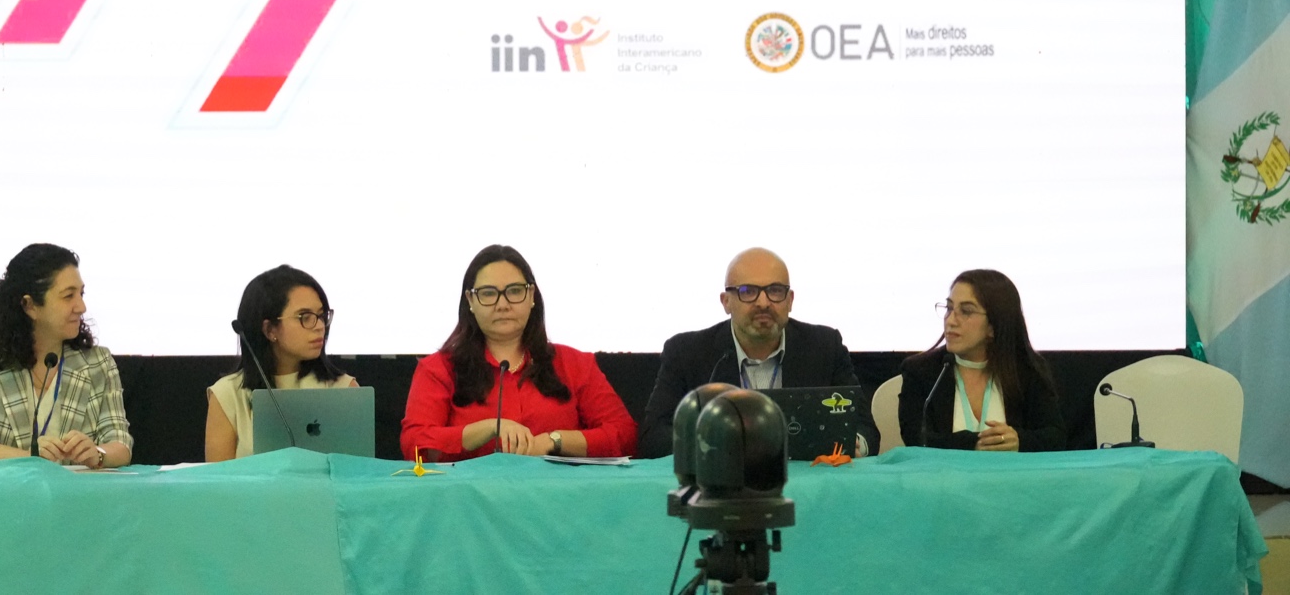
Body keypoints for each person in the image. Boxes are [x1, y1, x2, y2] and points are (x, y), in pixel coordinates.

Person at [400, 244, 637, 462]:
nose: (502, 304)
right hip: (469, 493)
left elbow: (624, 435)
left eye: (514, 291)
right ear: (470, 300)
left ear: (532, 296)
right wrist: (490, 428)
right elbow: (414, 445)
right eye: (488, 293)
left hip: (560, 491)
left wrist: (553, 441)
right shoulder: (438, 369)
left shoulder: (575, 364)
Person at [639, 248, 866, 458]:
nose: (763, 303)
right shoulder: (687, 352)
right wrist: (717, 444)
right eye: (748, 292)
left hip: (809, 479)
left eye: (775, 291)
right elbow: (654, 436)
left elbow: (865, 426)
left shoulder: (824, 346)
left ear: (790, 300)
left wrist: (856, 444)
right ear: (726, 302)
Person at [0, 243, 133, 467]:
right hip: (9, 488)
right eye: (68, 296)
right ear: (29, 306)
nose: (81, 307)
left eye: (81, 294)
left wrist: (97, 453)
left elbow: (120, 444)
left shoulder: (98, 362)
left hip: (78, 488)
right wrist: (32, 457)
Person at [897, 268, 1065, 452]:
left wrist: (1019, 441)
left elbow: (1055, 436)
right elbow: (916, 438)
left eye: (966, 311)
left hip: (1013, 471)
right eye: (949, 308)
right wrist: (973, 444)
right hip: (946, 471)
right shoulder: (921, 370)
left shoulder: (1026, 369)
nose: (951, 321)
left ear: (994, 325)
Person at [205, 265, 357, 462]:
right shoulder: (229, 393)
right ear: (270, 330)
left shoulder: (345, 389)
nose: (320, 326)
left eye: (321, 315)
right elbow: (217, 478)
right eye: (305, 317)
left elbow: (359, 474)